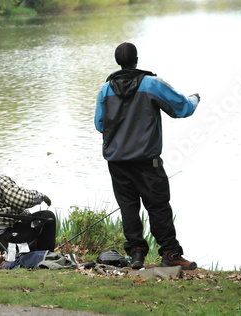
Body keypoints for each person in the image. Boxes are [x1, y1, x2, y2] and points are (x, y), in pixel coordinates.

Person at [94, 42, 199, 270]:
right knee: (158, 206)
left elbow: (100, 124)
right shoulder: (151, 84)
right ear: (137, 59)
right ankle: (170, 253)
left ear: (117, 61)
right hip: (147, 162)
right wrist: (194, 99)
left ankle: (137, 254)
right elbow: (182, 109)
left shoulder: (105, 90)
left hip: (117, 162)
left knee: (128, 207)